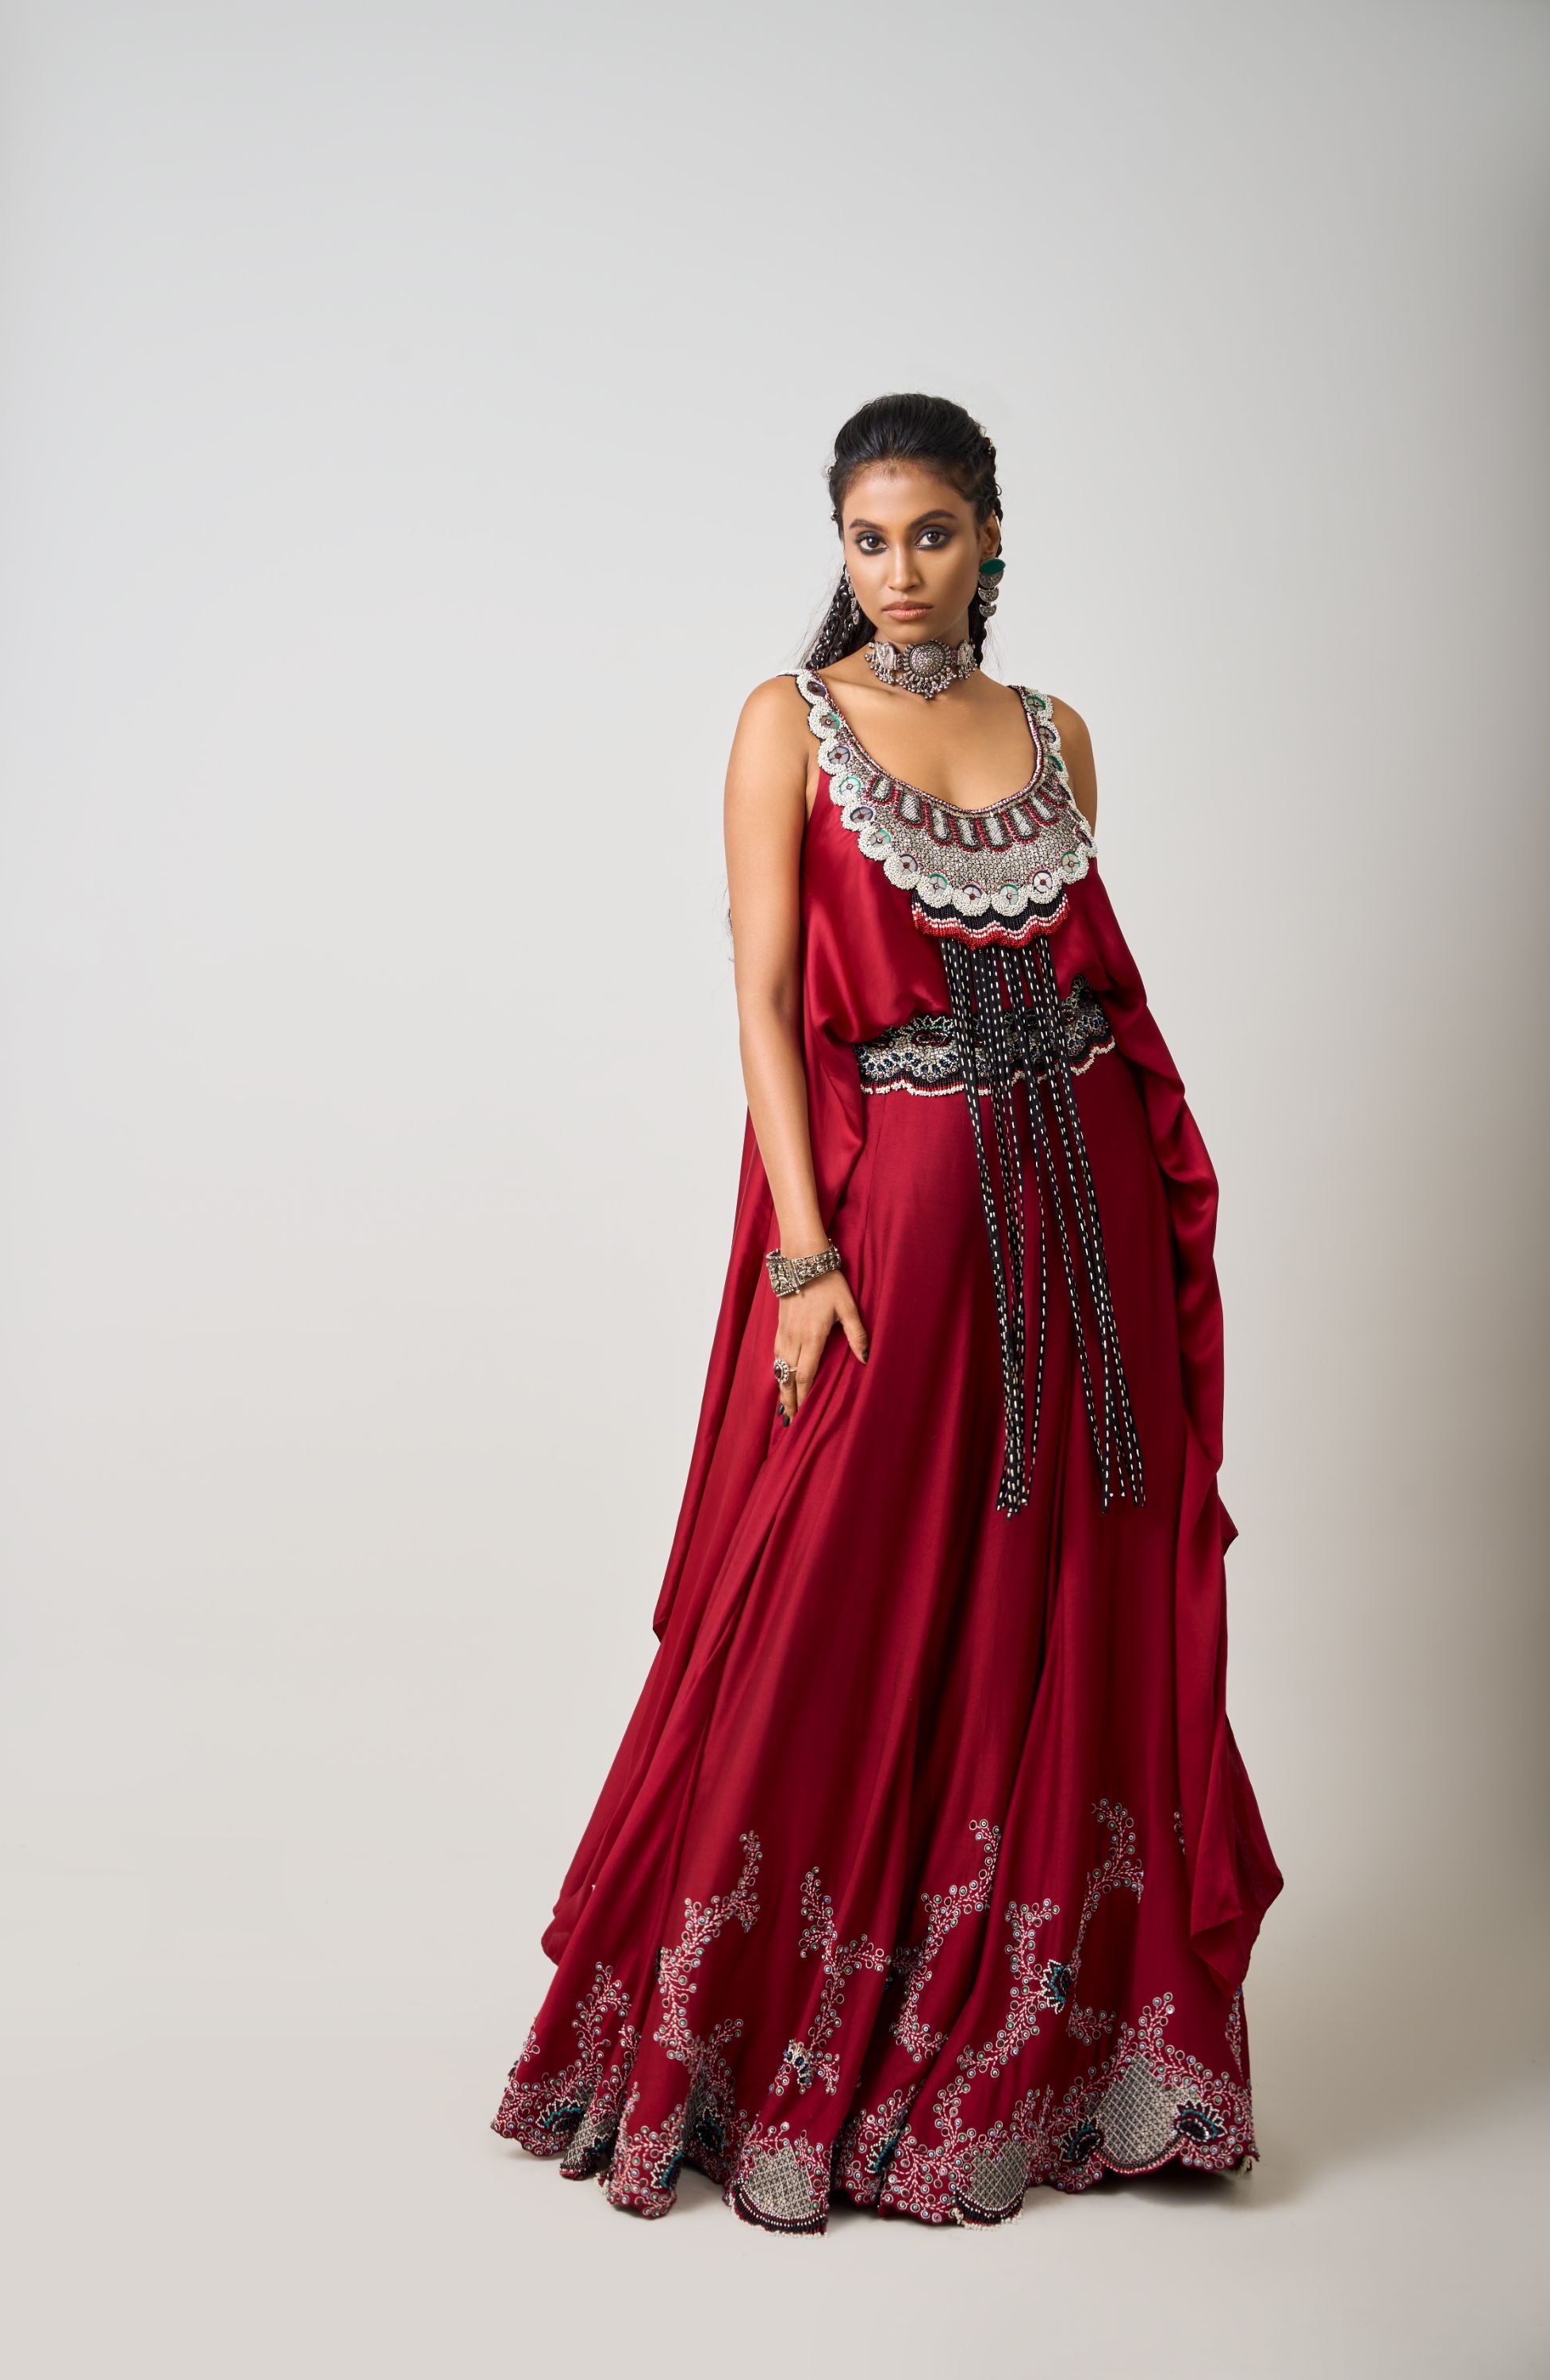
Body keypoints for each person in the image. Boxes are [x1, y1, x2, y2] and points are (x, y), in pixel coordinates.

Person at [492, 393, 1282, 2233]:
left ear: (990, 536)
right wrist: (803, 1254)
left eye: (931, 532)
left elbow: (1081, 981)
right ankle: (753, 2038)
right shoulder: (790, 723)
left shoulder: (1059, 732)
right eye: (868, 537)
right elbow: (767, 1003)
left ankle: (1063, 2044)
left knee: (1069, 1584)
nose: (899, 570)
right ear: (836, 546)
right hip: (903, 1213)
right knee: (831, 1588)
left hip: (1081, 1206)